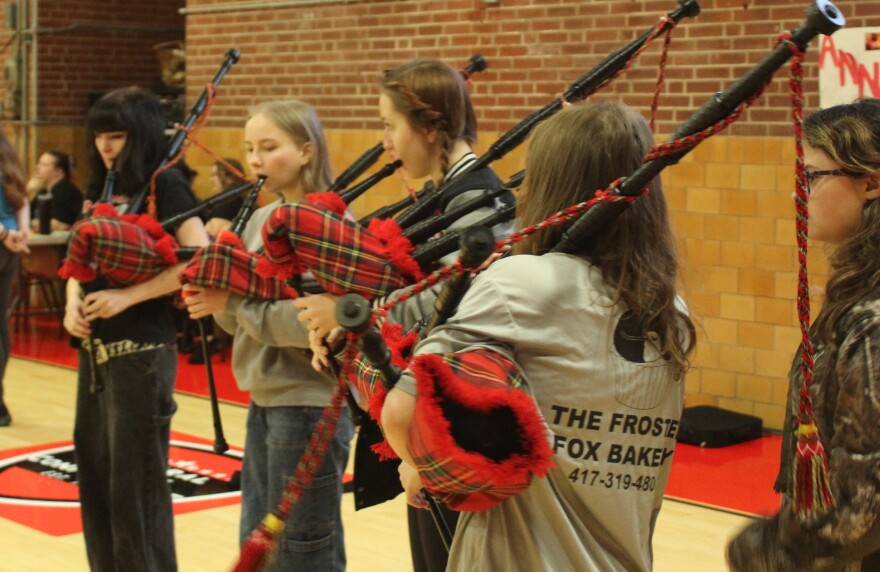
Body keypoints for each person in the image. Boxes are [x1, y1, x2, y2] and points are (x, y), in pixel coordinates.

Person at [379, 101, 694, 571]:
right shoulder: (672, 311)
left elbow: (402, 416)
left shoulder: (520, 282)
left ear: (548, 185)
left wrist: (423, 466)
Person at [294, 58, 515, 572]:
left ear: (432, 127)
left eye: (391, 126)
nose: (386, 143)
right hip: (428, 407)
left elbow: (469, 300)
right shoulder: (445, 193)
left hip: (462, 412)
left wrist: (353, 313)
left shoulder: (476, 195)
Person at [182, 99, 354, 571]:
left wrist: (232, 302)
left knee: (302, 546)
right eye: (248, 148)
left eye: (268, 147)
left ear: (305, 151)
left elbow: (313, 322)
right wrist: (216, 298)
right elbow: (240, 323)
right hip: (265, 398)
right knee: (259, 535)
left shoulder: (329, 222)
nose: (254, 160)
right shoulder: (260, 220)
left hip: (309, 402)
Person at [727, 98, 880, 570]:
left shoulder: (872, 320)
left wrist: (769, 551)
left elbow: (863, 501)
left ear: (871, 182)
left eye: (812, 177)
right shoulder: (859, 290)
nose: (800, 193)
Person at [62, 86, 209, 572]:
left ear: (140, 134)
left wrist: (129, 295)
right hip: (96, 353)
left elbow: (199, 258)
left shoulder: (165, 185)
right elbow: (77, 256)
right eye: (100, 135)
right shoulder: (98, 185)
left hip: (142, 352)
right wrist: (70, 304)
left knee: (136, 486)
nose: (106, 145)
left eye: (117, 135)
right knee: (97, 475)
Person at [0, 130, 30, 427]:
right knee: (0, 324)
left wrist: (7, 234)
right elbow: (22, 201)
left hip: (3, 240)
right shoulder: (8, 160)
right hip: (9, 248)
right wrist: (21, 234)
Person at [29, 150, 83, 231]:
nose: (37, 167)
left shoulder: (64, 190)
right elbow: (26, 215)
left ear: (59, 171)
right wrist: (29, 191)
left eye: (44, 165)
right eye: (39, 164)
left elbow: (60, 224)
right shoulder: (44, 191)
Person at [203, 158, 248, 238]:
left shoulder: (229, 203)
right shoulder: (242, 199)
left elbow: (209, 235)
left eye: (214, 175)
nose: (211, 179)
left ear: (229, 178)